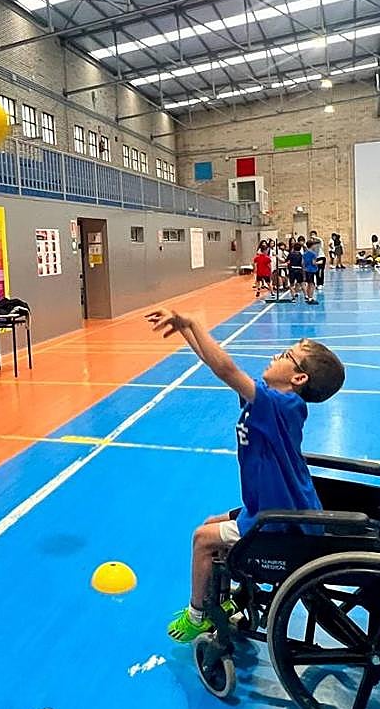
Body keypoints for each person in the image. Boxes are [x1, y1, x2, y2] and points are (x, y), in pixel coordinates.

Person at [143, 308, 345, 642]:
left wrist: (195, 321)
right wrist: (184, 330)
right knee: (211, 521)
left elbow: (226, 368)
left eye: (286, 355)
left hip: (280, 519)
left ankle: (198, 614)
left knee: (201, 538)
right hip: (267, 507)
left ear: (299, 379)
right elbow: (217, 367)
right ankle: (223, 600)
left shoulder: (281, 405)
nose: (275, 355)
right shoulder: (269, 401)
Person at [302, 240, 320, 305]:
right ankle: (311, 298)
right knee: (312, 285)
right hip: (311, 270)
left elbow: (303, 263)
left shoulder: (304, 253)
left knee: (308, 284)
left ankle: (308, 297)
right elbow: (313, 262)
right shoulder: (313, 254)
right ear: (312, 246)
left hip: (306, 270)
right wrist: (319, 263)